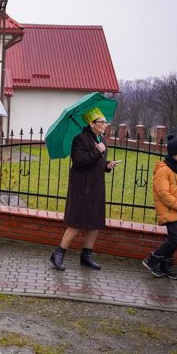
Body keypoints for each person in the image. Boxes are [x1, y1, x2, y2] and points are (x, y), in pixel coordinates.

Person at [49, 107, 117, 271]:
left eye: (105, 122)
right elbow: (79, 161)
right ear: (92, 123)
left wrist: (107, 166)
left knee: (94, 223)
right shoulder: (80, 139)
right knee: (77, 223)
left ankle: (86, 255)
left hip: (96, 187)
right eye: (102, 122)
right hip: (81, 188)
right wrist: (96, 151)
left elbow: (97, 163)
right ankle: (58, 254)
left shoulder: (101, 140)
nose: (106, 124)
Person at [143, 135, 177, 280]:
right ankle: (151, 260)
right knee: (174, 239)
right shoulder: (163, 170)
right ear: (173, 154)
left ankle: (166, 266)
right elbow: (163, 194)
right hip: (170, 210)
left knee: (175, 239)